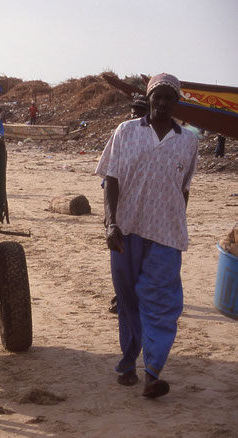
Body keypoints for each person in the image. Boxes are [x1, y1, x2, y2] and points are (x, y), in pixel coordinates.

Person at [95, 73, 198, 399]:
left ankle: (152, 374)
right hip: (127, 231)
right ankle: (128, 363)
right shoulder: (126, 132)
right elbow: (110, 180)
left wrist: (177, 222)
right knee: (128, 301)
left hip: (167, 235)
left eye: (170, 97)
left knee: (161, 304)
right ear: (149, 97)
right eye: (158, 96)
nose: (163, 102)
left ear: (177, 102)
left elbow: (183, 190)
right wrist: (111, 224)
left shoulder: (188, 141)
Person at [108, 94, 150, 314]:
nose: (135, 116)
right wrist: (110, 215)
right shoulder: (122, 133)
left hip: (148, 211)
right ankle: (122, 296)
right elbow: (109, 178)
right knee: (122, 257)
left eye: (140, 112)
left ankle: (136, 296)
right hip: (123, 210)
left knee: (144, 257)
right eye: (134, 111)